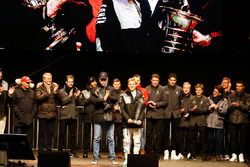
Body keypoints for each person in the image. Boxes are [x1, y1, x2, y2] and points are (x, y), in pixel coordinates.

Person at [91, 71, 118, 165]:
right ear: (99, 79)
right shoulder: (95, 89)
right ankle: (95, 158)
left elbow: (116, 99)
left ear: (107, 79)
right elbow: (93, 101)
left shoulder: (111, 88)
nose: (103, 81)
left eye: (105, 79)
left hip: (109, 116)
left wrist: (109, 95)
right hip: (98, 116)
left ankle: (112, 158)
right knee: (96, 138)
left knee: (111, 138)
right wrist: (104, 98)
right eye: (101, 79)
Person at [120, 77, 145, 165]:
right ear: (128, 85)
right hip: (127, 123)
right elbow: (122, 109)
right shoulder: (123, 95)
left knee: (137, 142)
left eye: (133, 84)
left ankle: (135, 159)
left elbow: (142, 110)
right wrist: (128, 119)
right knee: (126, 141)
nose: (131, 85)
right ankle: (127, 159)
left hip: (137, 123)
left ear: (136, 85)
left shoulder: (140, 95)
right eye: (130, 84)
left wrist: (140, 120)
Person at [8, 76, 37, 147]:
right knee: (18, 139)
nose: (29, 83)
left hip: (29, 119)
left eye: (29, 82)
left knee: (28, 139)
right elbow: (13, 104)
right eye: (27, 82)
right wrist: (20, 115)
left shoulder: (32, 92)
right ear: (22, 83)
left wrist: (32, 115)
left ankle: (27, 155)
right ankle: (17, 154)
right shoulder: (16, 91)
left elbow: (35, 104)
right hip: (19, 120)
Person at [57, 74, 81, 158]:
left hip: (73, 115)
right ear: (66, 82)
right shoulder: (61, 91)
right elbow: (62, 102)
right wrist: (70, 96)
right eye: (69, 82)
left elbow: (78, 103)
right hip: (64, 115)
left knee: (73, 135)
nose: (71, 83)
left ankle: (73, 151)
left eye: (72, 82)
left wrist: (77, 96)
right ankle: (60, 151)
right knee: (62, 134)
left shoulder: (76, 90)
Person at [145, 73, 167, 157]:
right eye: (153, 80)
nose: (155, 82)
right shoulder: (147, 88)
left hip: (159, 114)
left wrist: (156, 104)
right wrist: (148, 104)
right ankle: (149, 151)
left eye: (156, 80)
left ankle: (157, 152)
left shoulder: (162, 89)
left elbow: (165, 101)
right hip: (150, 114)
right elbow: (143, 100)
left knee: (159, 134)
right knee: (149, 134)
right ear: (151, 80)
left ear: (159, 81)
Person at [35, 72, 59, 151]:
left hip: (52, 114)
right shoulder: (39, 87)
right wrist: (47, 93)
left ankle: (49, 150)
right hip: (43, 114)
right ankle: (41, 151)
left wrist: (56, 91)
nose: (50, 80)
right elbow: (38, 98)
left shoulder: (54, 87)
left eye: (51, 78)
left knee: (50, 134)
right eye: (48, 78)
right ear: (44, 79)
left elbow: (58, 98)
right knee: (42, 133)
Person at [228, 81, 249, 163]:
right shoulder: (231, 95)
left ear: (243, 87)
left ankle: (241, 154)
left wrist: (239, 105)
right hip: (232, 120)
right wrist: (233, 105)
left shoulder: (247, 96)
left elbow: (247, 108)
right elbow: (228, 108)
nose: (238, 88)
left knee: (243, 139)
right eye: (237, 86)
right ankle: (234, 154)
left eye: (240, 86)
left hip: (243, 120)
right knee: (233, 138)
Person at [163, 73, 182, 160]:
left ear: (176, 81)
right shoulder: (164, 89)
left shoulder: (179, 89)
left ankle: (173, 152)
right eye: (171, 80)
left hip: (176, 114)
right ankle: (166, 151)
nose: (172, 82)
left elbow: (181, 101)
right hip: (166, 113)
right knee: (166, 133)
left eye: (174, 80)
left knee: (175, 134)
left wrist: (180, 111)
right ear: (168, 80)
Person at [188, 83, 210, 161]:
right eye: (197, 90)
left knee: (203, 140)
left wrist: (197, 110)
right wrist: (192, 110)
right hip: (193, 121)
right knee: (192, 139)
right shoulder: (191, 98)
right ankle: (193, 154)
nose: (198, 91)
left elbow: (206, 110)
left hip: (202, 121)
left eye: (199, 90)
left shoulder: (206, 99)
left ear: (202, 91)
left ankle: (203, 154)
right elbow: (189, 110)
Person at [207, 85, 228, 161]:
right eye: (214, 91)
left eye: (216, 92)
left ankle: (218, 154)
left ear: (220, 93)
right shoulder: (209, 98)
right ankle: (209, 153)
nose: (214, 93)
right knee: (210, 138)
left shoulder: (224, 100)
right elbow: (206, 108)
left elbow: (225, 112)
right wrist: (210, 107)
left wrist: (218, 108)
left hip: (219, 122)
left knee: (218, 139)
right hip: (210, 121)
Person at [78, 76, 97, 158]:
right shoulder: (84, 92)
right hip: (87, 115)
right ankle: (85, 151)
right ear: (90, 83)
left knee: (97, 136)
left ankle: (96, 152)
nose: (95, 83)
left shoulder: (98, 90)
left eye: (95, 81)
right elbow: (82, 103)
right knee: (86, 135)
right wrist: (90, 98)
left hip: (96, 115)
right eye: (93, 81)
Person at [177, 82, 193, 160]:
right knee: (180, 138)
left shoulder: (193, 98)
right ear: (182, 88)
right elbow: (175, 108)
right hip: (181, 121)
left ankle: (189, 152)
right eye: (185, 88)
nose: (186, 89)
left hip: (190, 121)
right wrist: (180, 111)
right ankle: (180, 152)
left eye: (188, 88)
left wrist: (190, 114)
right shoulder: (179, 97)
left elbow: (195, 109)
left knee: (189, 138)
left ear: (190, 89)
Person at [109, 78, 124, 159]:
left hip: (120, 118)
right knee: (111, 136)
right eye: (115, 84)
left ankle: (119, 151)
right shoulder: (110, 93)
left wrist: (120, 107)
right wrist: (113, 107)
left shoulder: (123, 93)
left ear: (120, 84)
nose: (117, 86)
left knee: (120, 136)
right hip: (111, 117)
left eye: (118, 84)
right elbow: (106, 103)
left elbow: (125, 105)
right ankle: (111, 151)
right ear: (113, 85)